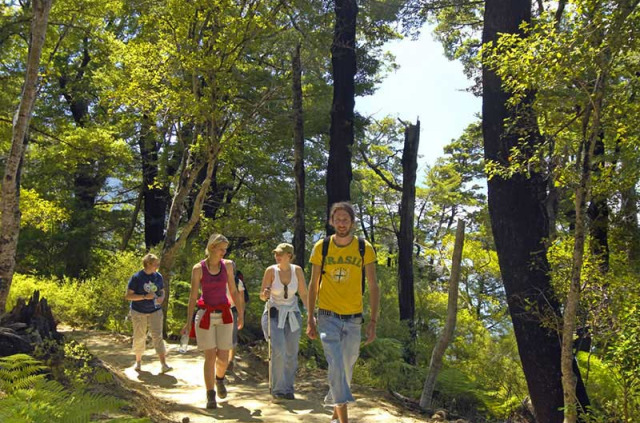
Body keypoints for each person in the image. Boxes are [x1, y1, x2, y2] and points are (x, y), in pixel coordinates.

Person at [306, 202, 380, 423]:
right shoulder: (322, 247)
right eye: (337, 219)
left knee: (346, 369)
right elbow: (313, 284)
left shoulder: (363, 248)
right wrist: (310, 317)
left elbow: (373, 285)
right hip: (327, 316)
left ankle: (336, 411)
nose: (341, 223)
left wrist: (373, 320)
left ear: (352, 222)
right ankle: (344, 419)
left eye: (345, 220)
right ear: (331, 221)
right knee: (336, 364)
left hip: (354, 319)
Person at [182, 234, 244, 409]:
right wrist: (187, 322)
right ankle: (210, 395)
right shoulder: (198, 269)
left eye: (225, 249)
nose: (224, 252)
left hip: (225, 314)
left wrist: (240, 313)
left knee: (223, 357)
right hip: (205, 315)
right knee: (210, 356)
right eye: (221, 249)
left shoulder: (228, 266)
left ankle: (220, 379)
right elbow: (193, 296)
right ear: (212, 248)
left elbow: (233, 289)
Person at [260, 242, 308, 401]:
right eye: (276, 254)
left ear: (289, 255)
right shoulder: (271, 271)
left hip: (292, 314)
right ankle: (278, 388)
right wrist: (265, 293)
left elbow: (303, 293)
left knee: (291, 352)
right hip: (274, 314)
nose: (277, 256)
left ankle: (288, 388)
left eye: (280, 254)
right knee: (279, 349)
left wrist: (311, 314)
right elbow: (262, 295)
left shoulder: (297, 271)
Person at [125, 253, 171, 373]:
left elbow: (162, 290)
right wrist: (145, 296)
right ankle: (138, 362)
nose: (157, 266)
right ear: (148, 264)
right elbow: (128, 296)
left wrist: (162, 297)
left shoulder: (158, 276)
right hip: (138, 311)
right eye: (156, 264)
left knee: (157, 336)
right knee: (140, 336)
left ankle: (164, 364)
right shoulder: (136, 277)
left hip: (155, 310)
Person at [226, 263, 245, 372]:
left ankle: (230, 361)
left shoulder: (238, 282)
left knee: (232, 336)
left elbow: (241, 300)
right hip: (220, 310)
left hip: (233, 310)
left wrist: (241, 314)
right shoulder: (220, 279)